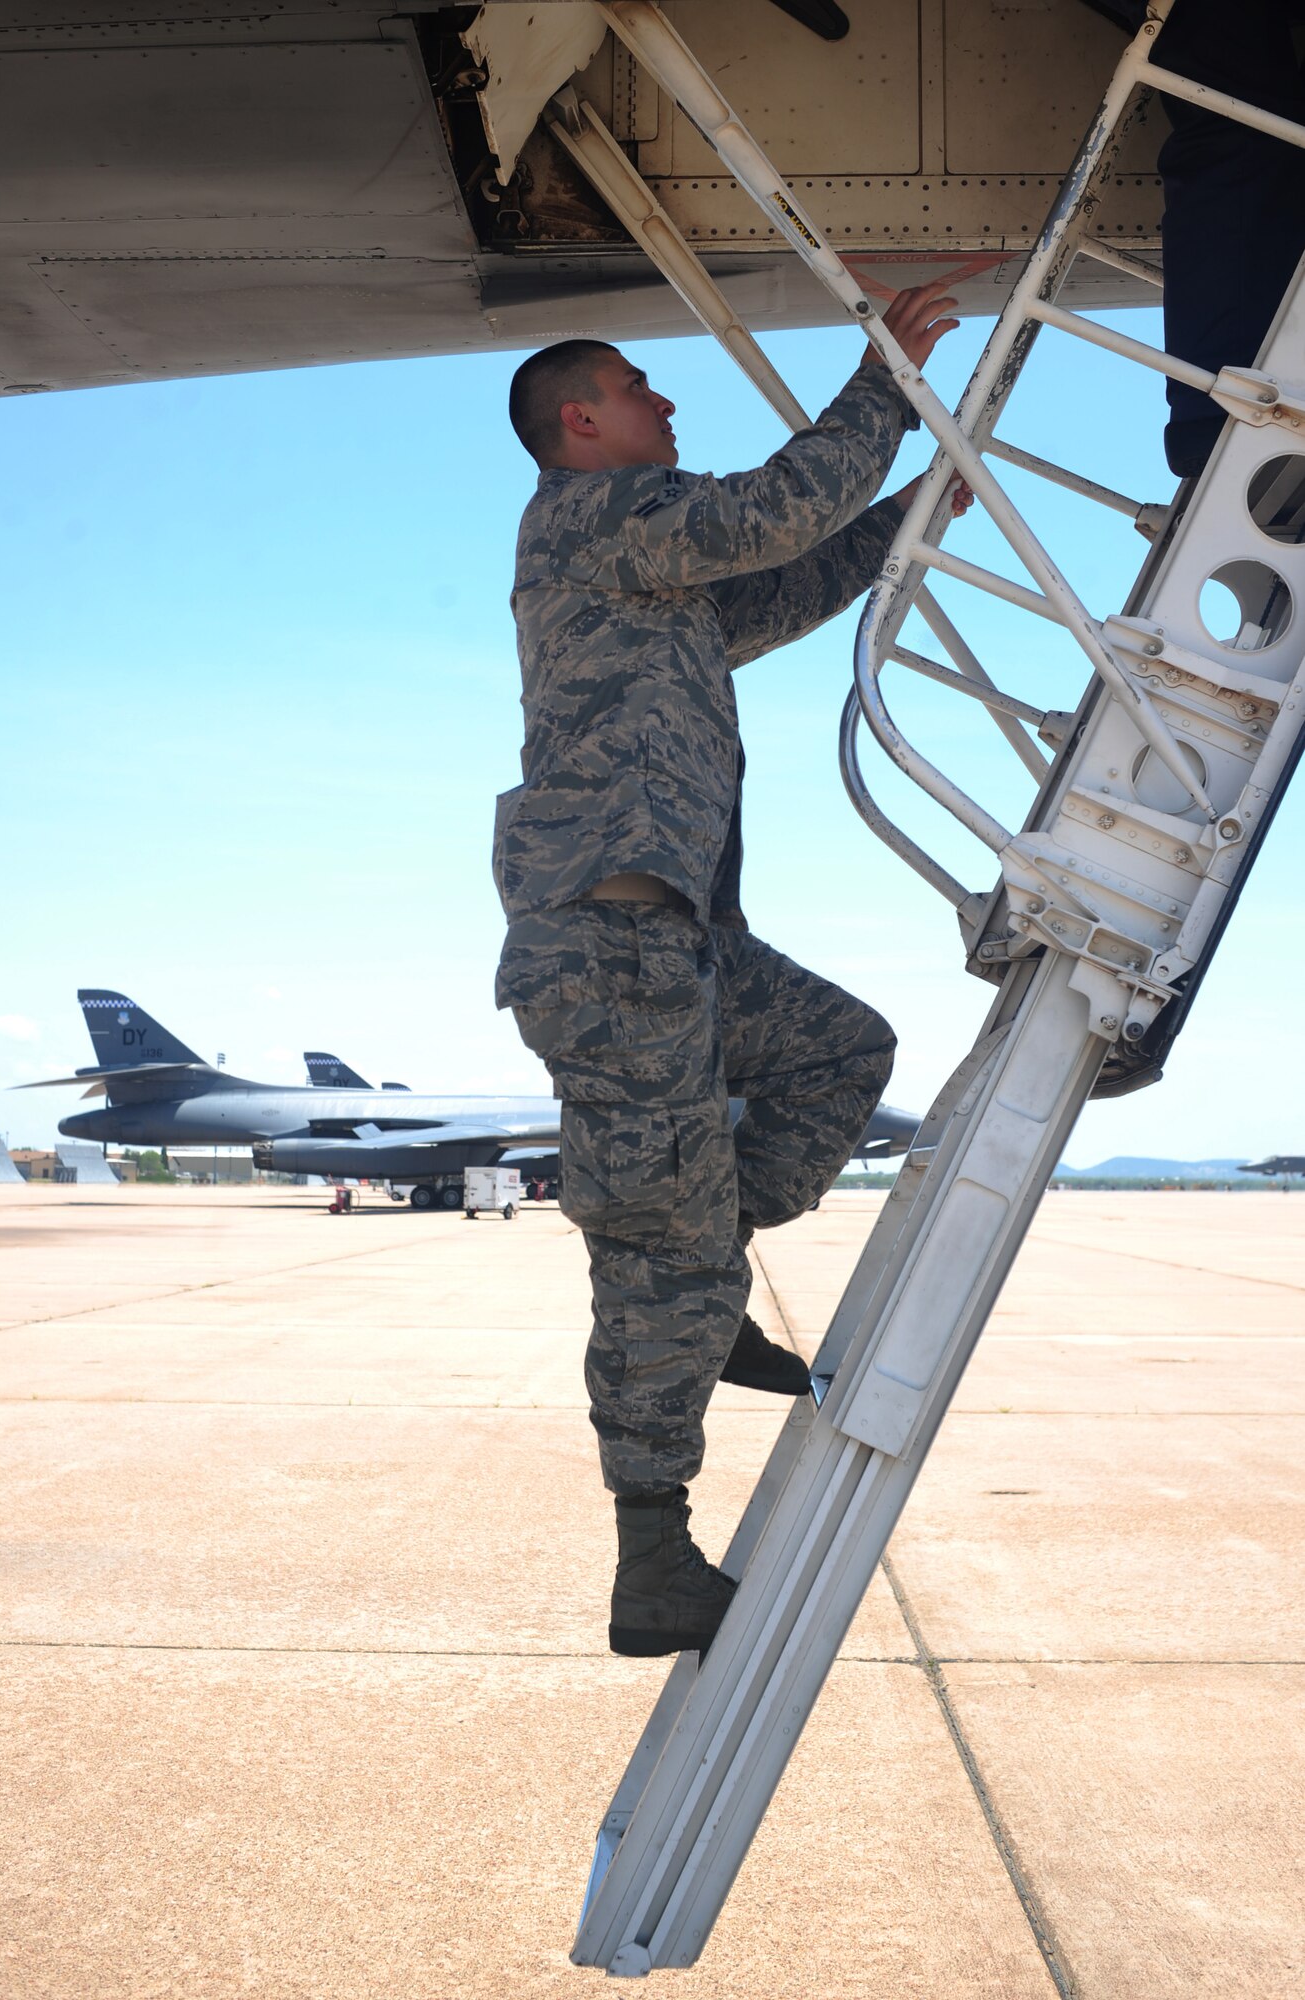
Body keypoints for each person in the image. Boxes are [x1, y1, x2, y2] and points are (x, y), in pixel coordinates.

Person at [494, 281, 967, 1658]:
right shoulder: (594, 518)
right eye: (642, 389)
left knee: (840, 1051)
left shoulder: (644, 573)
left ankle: (711, 1279)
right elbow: (771, 510)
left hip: (676, 944)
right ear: (581, 422)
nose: (667, 402)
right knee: (657, 1251)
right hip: (609, 943)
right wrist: (887, 380)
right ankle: (655, 1566)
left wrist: (914, 512)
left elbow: (786, 579)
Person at [1079, 0, 1305, 476]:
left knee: (1244, 135)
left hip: (1238, 411)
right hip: (1237, 411)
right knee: (1245, 137)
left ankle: (1219, 410)